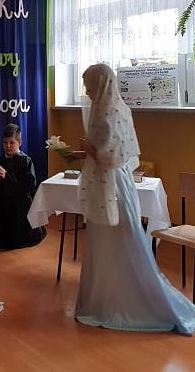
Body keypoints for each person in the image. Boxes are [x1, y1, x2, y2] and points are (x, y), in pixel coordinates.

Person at [70, 63, 195, 334]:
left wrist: (88, 148)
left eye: (90, 85)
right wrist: (87, 151)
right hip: (114, 185)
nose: (87, 91)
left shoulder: (109, 112)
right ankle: (105, 300)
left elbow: (111, 157)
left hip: (112, 189)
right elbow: (118, 152)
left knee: (117, 245)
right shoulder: (116, 108)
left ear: (101, 84)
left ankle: (116, 303)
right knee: (109, 247)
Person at [0, 124, 45, 250]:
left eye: (12, 143)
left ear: (19, 142)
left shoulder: (26, 161)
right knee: (4, 236)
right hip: (3, 205)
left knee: (19, 239)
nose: (8, 146)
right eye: (5, 143)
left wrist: (7, 177)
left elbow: (29, 186)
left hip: (20, 207)